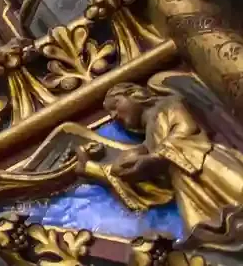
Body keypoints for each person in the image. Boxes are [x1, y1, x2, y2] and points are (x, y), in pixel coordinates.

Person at [103, 82, 243, 251]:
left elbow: (186, 129)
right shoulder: (149, 138)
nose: (113, 116)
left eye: (115, 105)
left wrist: (155, 157)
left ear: (133, 94)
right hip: (186, 185)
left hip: (205, 162)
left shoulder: (169, 104)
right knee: (208, 233)